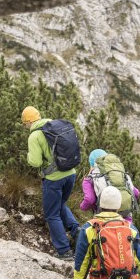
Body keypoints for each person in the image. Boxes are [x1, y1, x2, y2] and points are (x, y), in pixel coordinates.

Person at [22, 106, 79, 260]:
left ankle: (64, 251)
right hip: (71, 174)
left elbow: (35, 162)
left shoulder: (34, 136)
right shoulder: (54, 125)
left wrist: (28, 156)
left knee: (52, 214)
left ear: (27, 122)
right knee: (61, 205)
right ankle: (77, 232)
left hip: (54, 179)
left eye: (24, 124)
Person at [79, 149, 140, 223]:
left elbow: (89, 199)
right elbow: (136, 193)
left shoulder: (90, 179)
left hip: (104, 221)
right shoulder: (122, 175)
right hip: (125, 220)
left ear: (91, 164)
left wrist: (82, 207)